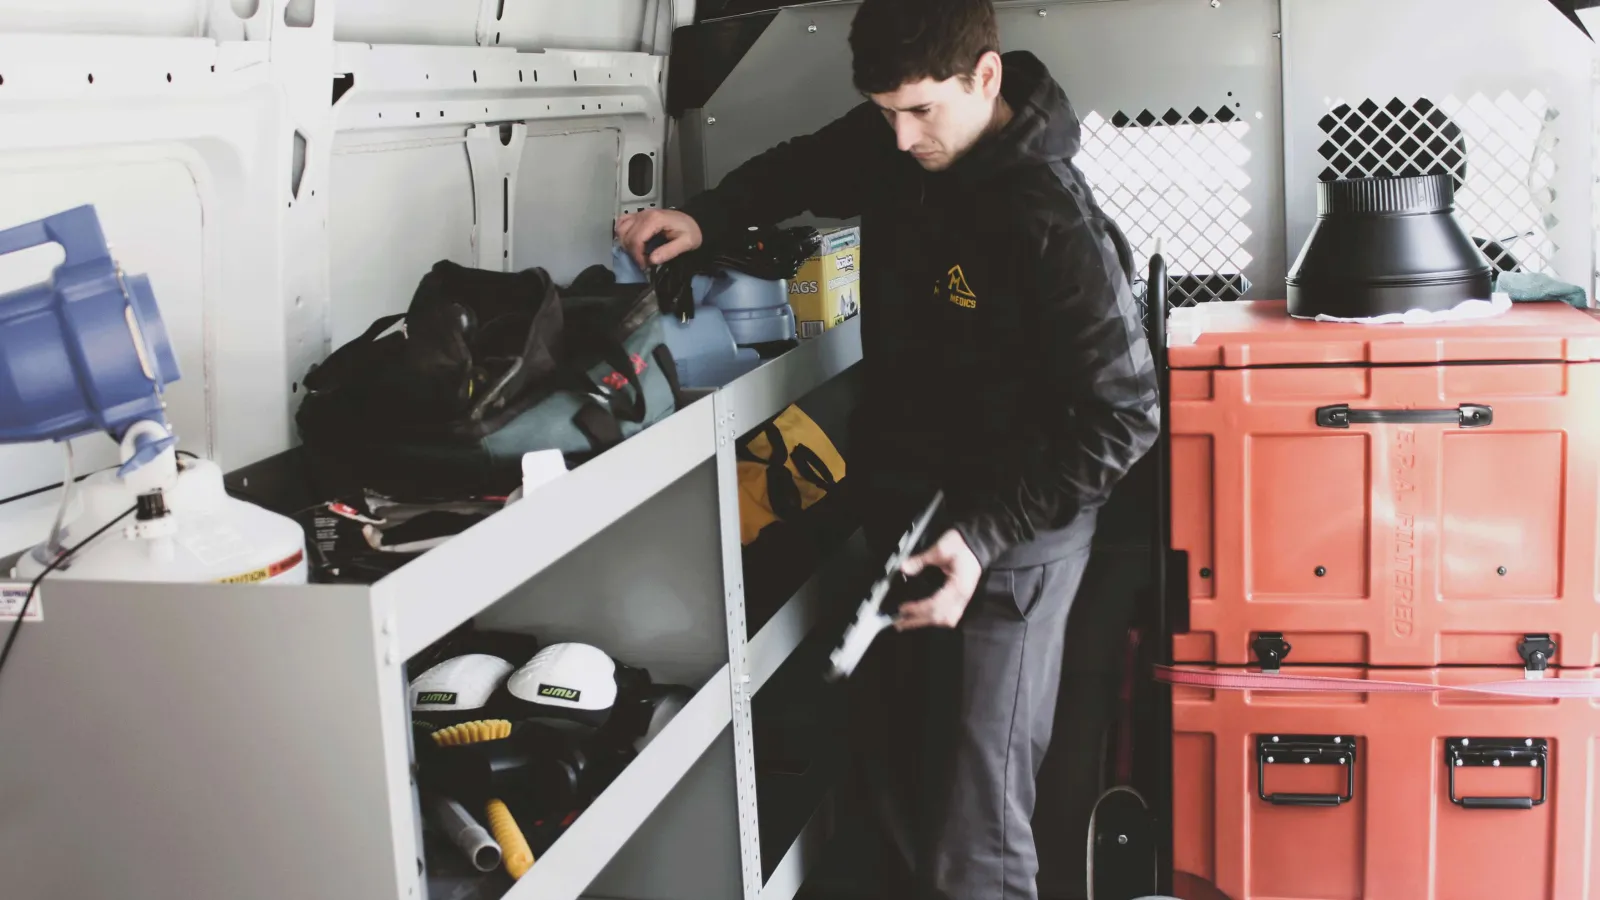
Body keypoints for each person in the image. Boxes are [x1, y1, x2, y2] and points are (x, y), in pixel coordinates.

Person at [617, 0, 1159, 896]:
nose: (900, 139)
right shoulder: (896, 136)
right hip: (911, 507)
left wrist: (983, 538)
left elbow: (1125, 414)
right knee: (901, 786)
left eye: (920, 112)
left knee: (973, 828)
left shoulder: (1051, 223)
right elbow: (808, 163)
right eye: (884, 113)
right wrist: (705, 218)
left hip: (1009, 546)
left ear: (984, 78)